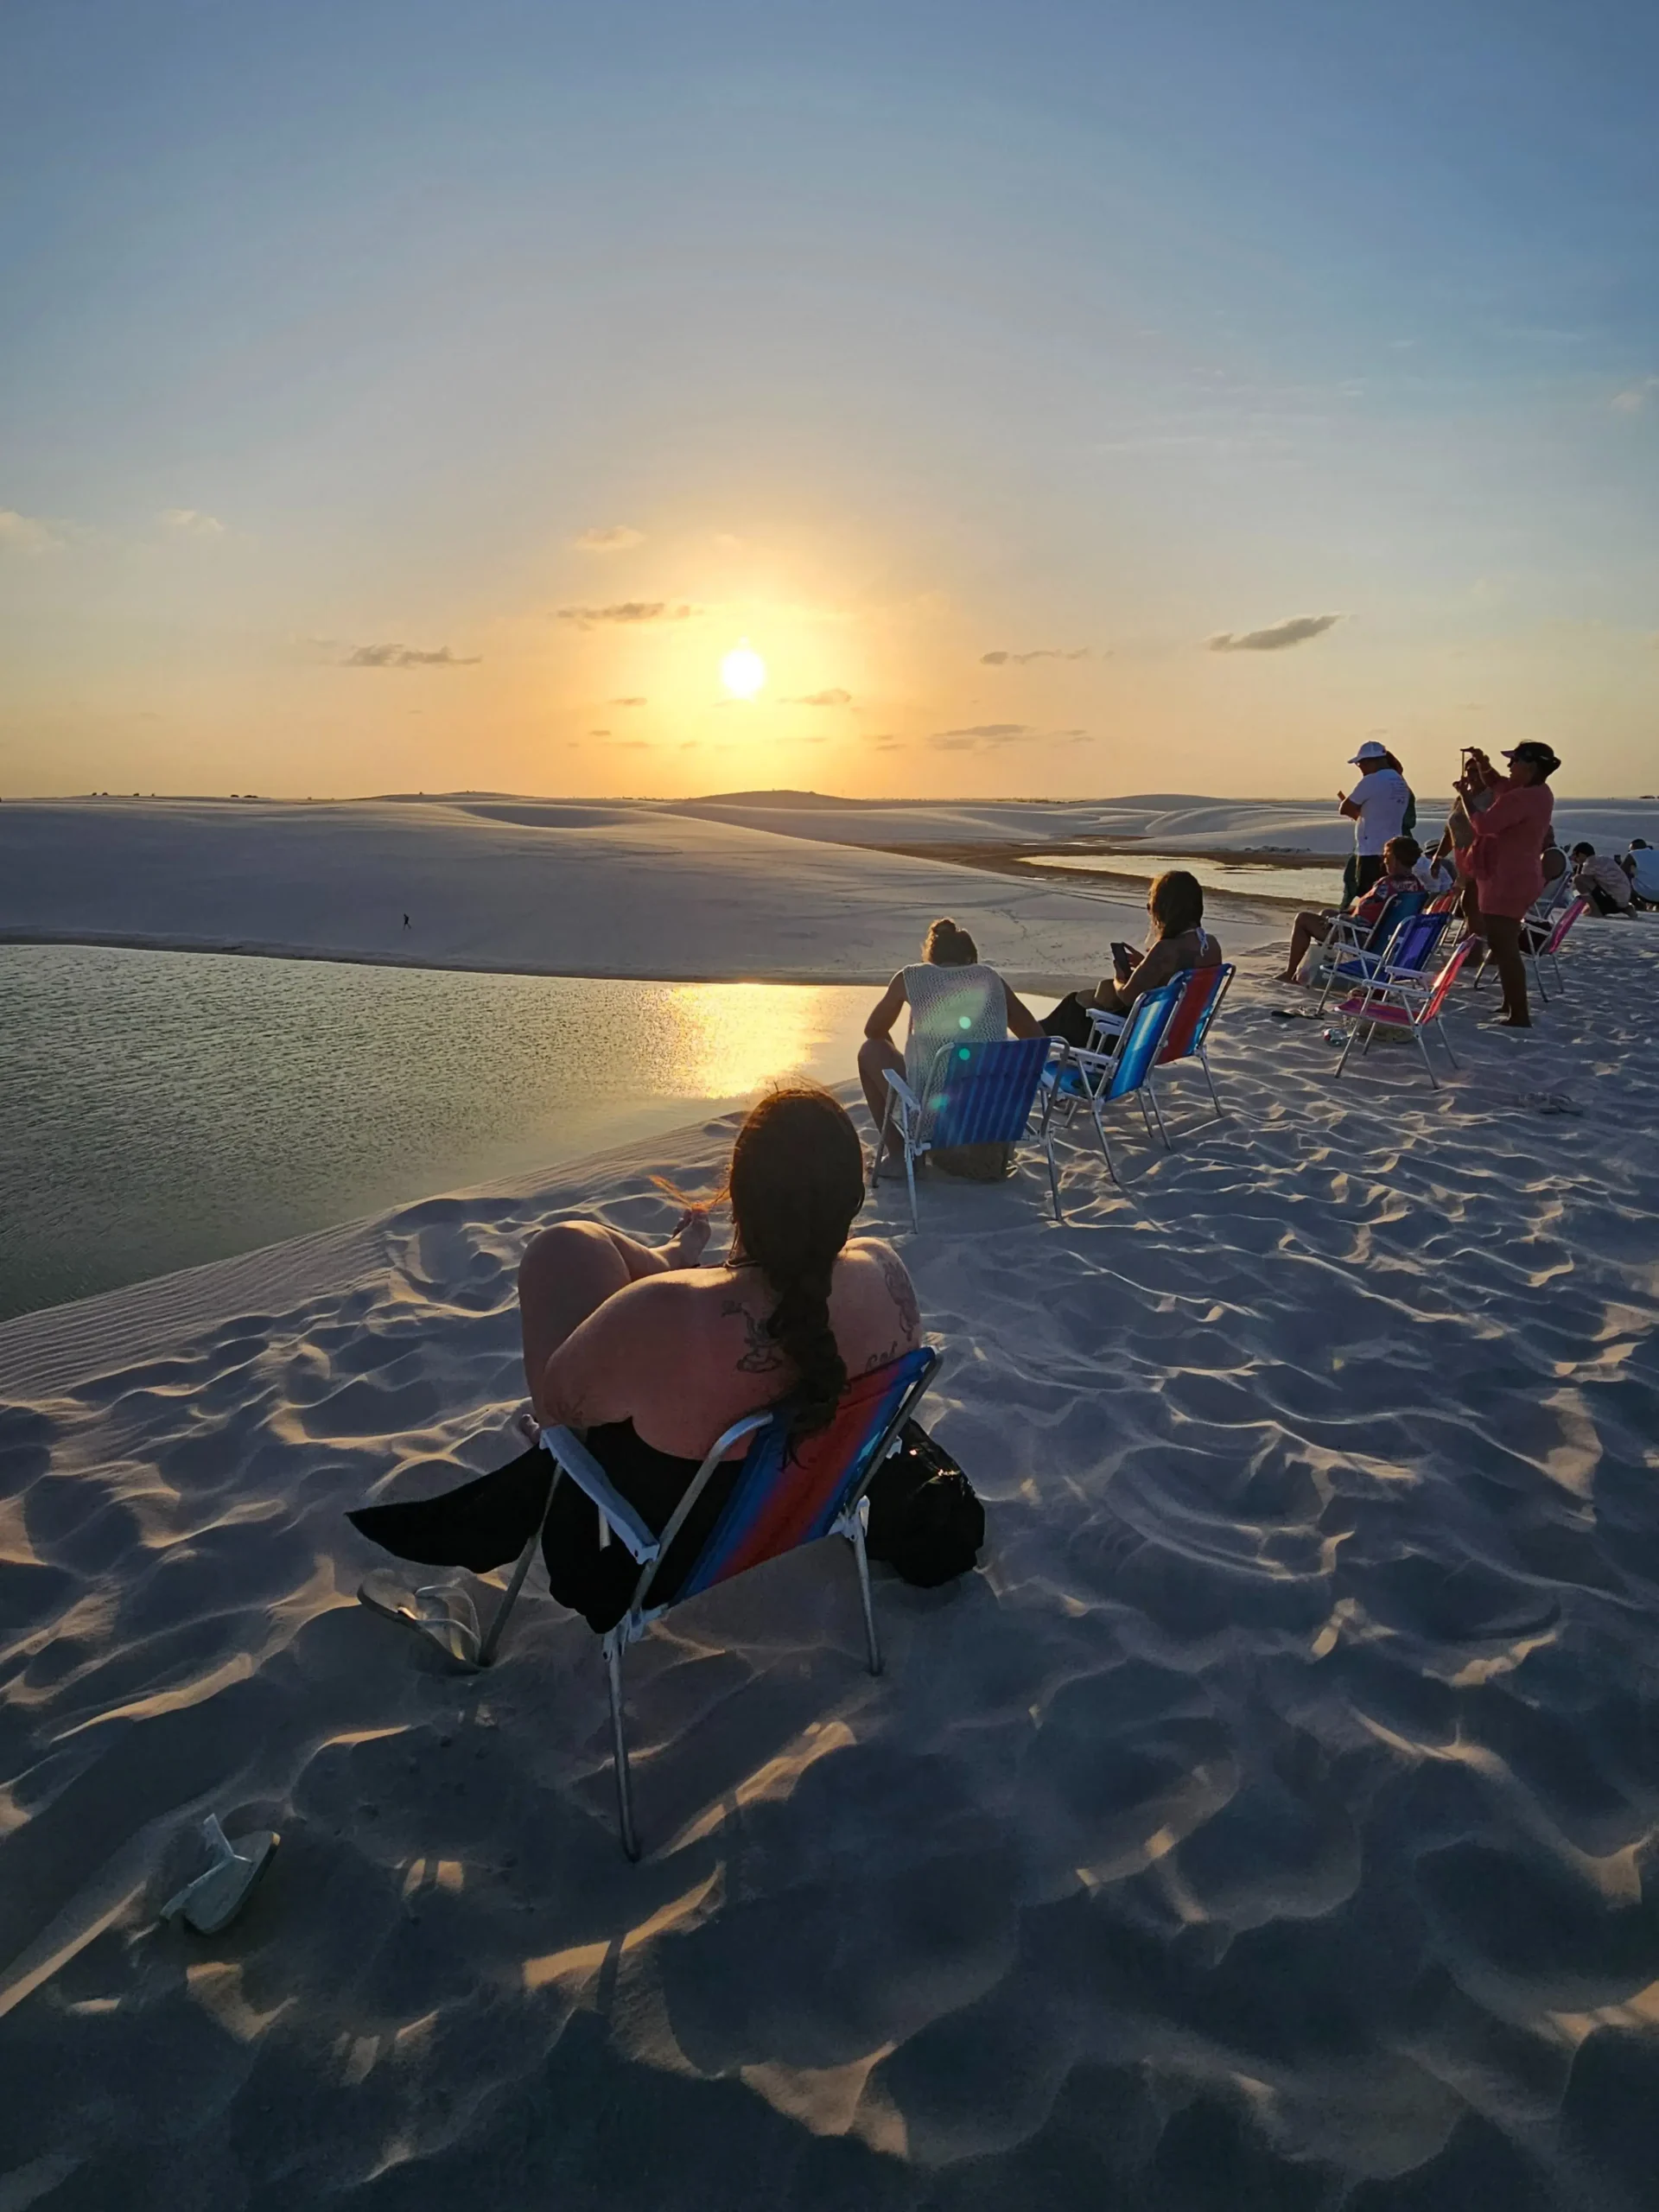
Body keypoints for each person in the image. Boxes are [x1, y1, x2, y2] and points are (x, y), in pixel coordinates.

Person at [349, 1087, 924, 1633]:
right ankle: (676, 1254)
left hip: (637, 1568)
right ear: (852, 1200)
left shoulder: (663, 1317)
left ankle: (673, 1255)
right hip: (794, 1519)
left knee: (562, 1248)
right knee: (617, 1275)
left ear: (738, 1196)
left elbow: (555, 1409)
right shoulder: (884, 1274)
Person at [860, 918, 1042, 1176]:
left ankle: (902, 1158)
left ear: (930, 959)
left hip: (936, 1126)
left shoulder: (911, 977)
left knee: (870, 1050)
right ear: (970, 960)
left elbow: (873, 1031)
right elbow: (1036, 1038)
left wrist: (911, 1059)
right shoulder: (990, 979)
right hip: (991, 1126)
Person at [1044, 869, 1221, 1042]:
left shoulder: (1165, 950)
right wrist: (1146, 964)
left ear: (1166, 908)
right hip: (1179, 1035)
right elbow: (1178, 974)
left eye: (1153, 902)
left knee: (1072, 1008)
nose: (1149, 908)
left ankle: (1032, 1040)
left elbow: (1127, 996)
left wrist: (1119, 979)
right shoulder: (1210, 945)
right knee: (1083, 1001)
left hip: (1142, 1038)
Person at [1463, 742, 1560, 1027]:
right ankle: (1510, 1004)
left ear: (1529, 767)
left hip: (1507, 879)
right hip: (1519, 876)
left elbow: (1484, 825)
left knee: (1504, 946)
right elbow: (1498, 783)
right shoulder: (1538, 793)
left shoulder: (1521, 799)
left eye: (1514, 761)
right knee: (1504, 944)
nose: (1510, 766)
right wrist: (1483, 763)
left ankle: (1519, 1014)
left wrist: (1465, 797)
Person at [1280, 836, 1423, 985]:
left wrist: (1343, 919)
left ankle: (1290, 974)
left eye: (1387, 856)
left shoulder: (1387, 885)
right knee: (1327, 913)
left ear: (1396, 858)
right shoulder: (1416, 886)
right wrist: (1346, 914)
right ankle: (1323, 965)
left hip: (1362, 938)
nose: (1384, 860)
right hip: (1388, 939)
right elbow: (1378, 912)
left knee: (1303, 919)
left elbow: (1365, 921)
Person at [1338, 741, 1413, 904]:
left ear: (1370, 761)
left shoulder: (1371, 780)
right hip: (1392, 850)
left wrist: (1360, 815)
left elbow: (1345, 807)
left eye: (1360, 764)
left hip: (1370, 851)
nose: (1361, 769)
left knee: (1368, 897)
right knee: (1387, 897)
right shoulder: (1400, 781)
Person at [1570, 842, 1634, 918]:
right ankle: (1627, 909)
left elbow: (1581, 883)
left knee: (1578, 879)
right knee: (1586, 910)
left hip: (1612, 902)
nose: (1574, 858)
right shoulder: (1604, 859)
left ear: (1581, 854)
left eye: (1575, 855)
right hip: (1624, 901)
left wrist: (1579, 867)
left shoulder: (1589, 864)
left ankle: (1595, 910)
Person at [1624, 839, 1659, 907]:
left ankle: (1639, 907)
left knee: (1623, 880)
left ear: (1634, 849)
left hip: (1648, 895)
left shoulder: (1634, 854)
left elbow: (1620, 873)